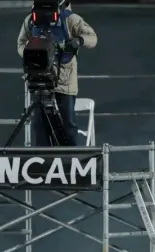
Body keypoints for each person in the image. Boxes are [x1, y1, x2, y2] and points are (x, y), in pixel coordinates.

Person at [17, 0, 97, 146]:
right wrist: (30, 53)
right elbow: (21, 43)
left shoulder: (70, 20)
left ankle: (71, 160)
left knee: (67, 125)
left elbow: (93, 38)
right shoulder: (30, 21)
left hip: (64, 83)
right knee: (40, 126)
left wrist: (78, 41)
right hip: (39, 80)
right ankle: (44, 160)